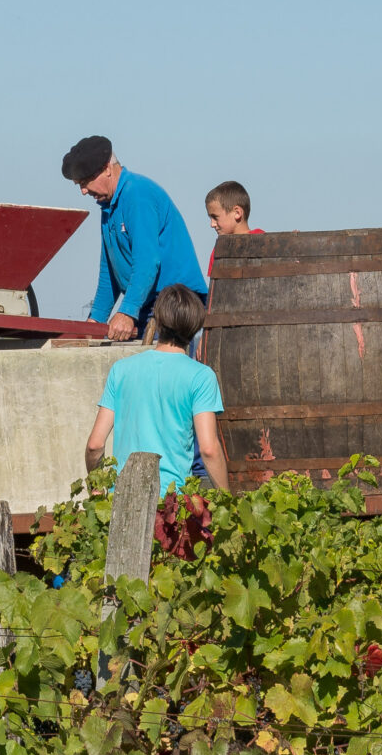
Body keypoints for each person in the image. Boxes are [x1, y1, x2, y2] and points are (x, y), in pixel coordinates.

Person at [60, 136, 209, 342]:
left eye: (85, 182)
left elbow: (147, 261)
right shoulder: (109, 206)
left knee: (153, 360)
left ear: (106, 169)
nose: (83, 191)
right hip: (147, 301)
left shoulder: (137, 195)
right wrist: (95, 321)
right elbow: (109, 271)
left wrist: (127, 311)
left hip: (175, 302)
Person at [83, 285, 228, 492]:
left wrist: (97, 489)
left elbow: (95, 445)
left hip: (122, 499)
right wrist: (226, 500)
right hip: (172, 502)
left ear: (158, 322)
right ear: (196, 326)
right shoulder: (201, 376)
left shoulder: (121, 370)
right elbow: (208, 449)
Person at [204, 179, 267, 276]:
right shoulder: (218, 249)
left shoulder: (262, 240)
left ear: (237, 213)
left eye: (215, 217)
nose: (212, 224)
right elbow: (214, 284)